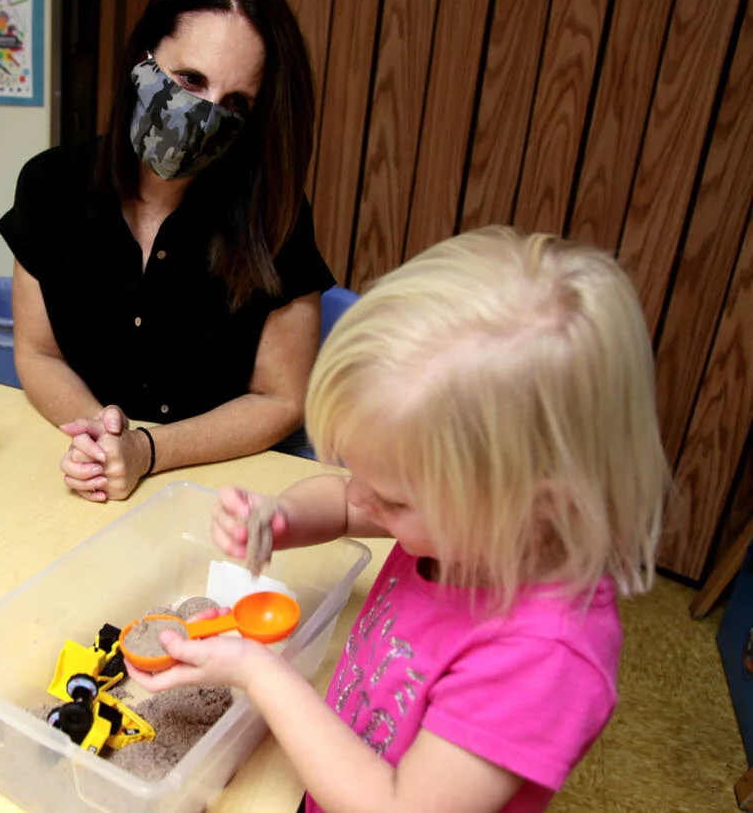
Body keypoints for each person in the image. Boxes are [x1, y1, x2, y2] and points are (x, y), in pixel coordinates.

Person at [127, 228, 669, 812]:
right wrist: (281, 518)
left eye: (393, 499)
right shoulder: (469, 523)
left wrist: (258, 673)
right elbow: (342, 505)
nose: (360, 496)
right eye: (356, 471)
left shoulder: (542, 657)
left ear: (533, 503)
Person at [0, 0, 334, 503]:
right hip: (83, 467)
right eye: (189, 80)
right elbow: (38, 353)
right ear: (144, 57)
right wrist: (104, 442)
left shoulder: (275, 212)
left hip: (220, 482)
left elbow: (281, 399)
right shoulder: (49, 185)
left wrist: (147, 450)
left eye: (235, 103)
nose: (204, 117)